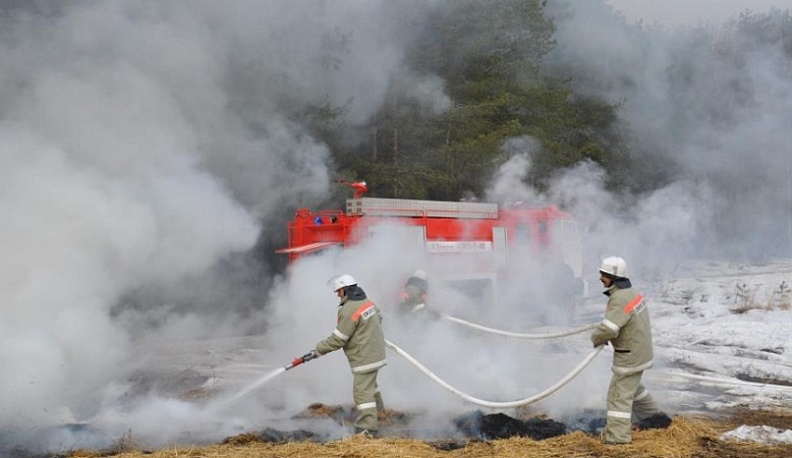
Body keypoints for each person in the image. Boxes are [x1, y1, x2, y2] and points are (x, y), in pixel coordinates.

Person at [590, 256, 671, 445]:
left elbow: (609, 329)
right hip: (640, 351)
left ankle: (617, 439)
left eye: (604, 274)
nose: (600, 277)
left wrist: (596, 338)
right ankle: (653, 417)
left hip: (630, 356)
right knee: (633, 388)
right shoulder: (631, 293)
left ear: (614, 277)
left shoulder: (619, 298)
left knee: (618, 396)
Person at [311, 274, 387, 436]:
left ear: (346, 290)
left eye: (339, 291)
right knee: (370, 385)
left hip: (363, 357)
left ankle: (367, 427)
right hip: (375, 353)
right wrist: (368, 332)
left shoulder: (348, 310)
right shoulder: (367, 303)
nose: (338, 295)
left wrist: (318, 349)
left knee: (362, 392)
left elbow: (339, 339)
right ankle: (380, 412)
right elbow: (378, 316)